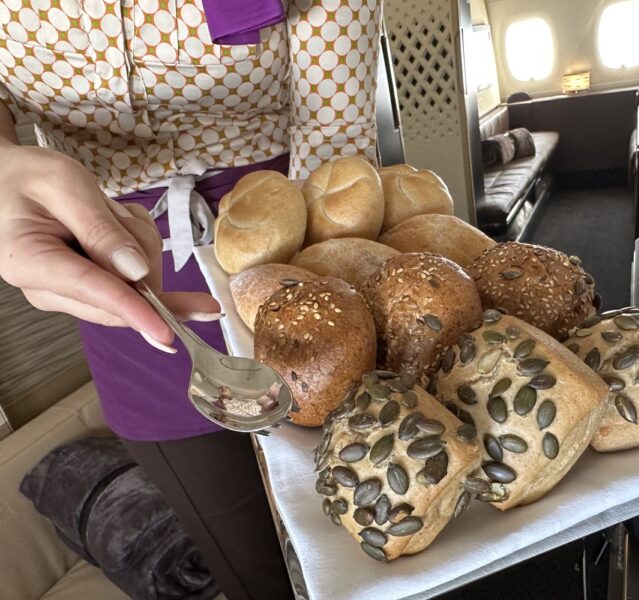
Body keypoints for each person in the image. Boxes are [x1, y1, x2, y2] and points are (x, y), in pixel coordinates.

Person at [0, 0, 382, 598]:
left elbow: (333, 126)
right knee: (254, 568)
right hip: (121, 286)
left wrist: (325, 270)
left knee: (370, 536)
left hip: (296, 240)